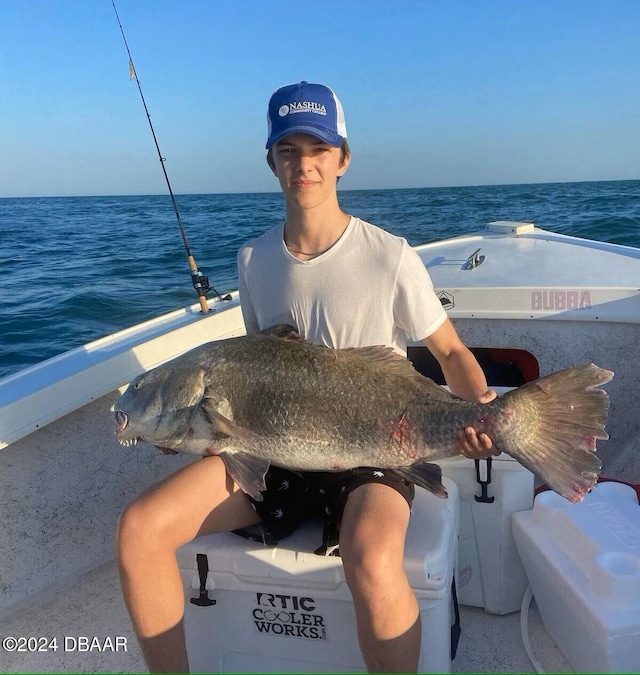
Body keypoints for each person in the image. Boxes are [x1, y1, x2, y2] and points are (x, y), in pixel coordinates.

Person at [116, 81, 498, 674]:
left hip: (375, 445)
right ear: (271, 161)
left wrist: (486, 414)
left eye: (317, 149)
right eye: (289, 150)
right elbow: (258, 363)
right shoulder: (253, 259)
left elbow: (448, 352)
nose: (304, 164)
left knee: (371, 561)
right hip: (272, 450)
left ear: (342, 158)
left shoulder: (388, 255)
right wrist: (196, 433)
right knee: (139, 530)